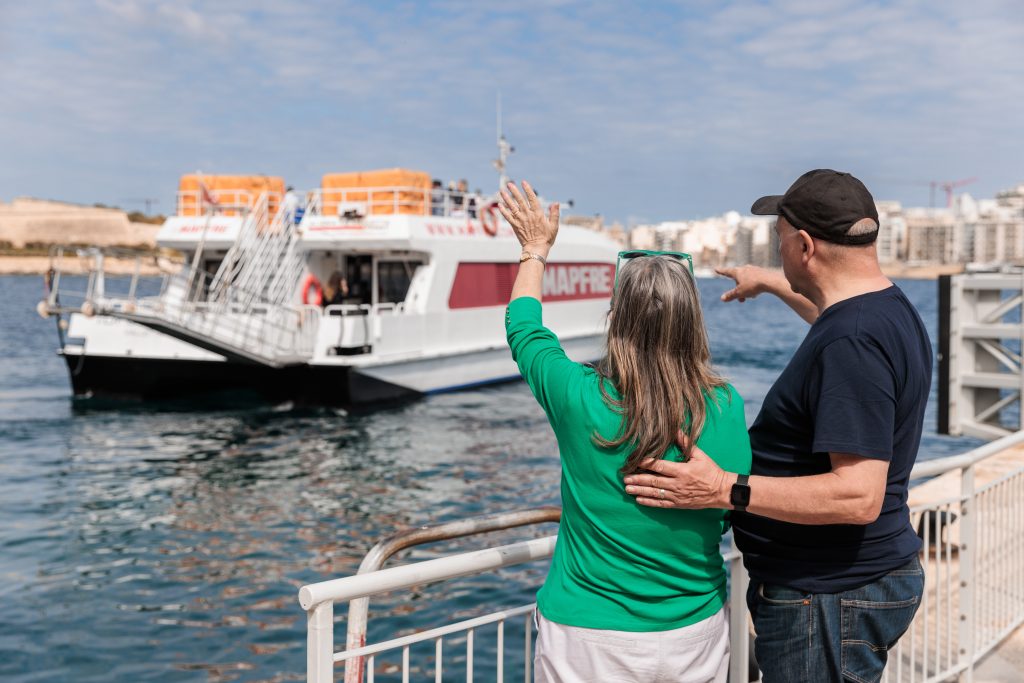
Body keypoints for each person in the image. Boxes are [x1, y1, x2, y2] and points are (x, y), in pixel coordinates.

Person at [623, 170, 929, 683]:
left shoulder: (851, 342)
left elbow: (858, 496)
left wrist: (723, 489)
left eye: (779, 239)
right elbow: (830, 319)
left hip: (827, 596)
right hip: (847, 583)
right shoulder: (884, 310)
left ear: (805, 245)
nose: (777, 251)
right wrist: (769, 282)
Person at [499, 180, 751, 683]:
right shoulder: (724, 406)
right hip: (692, 632)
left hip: (585, 635)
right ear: (692, 324)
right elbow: (727, 516)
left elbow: (524, 330)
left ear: (616, 320)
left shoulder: (578, 396)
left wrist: (534, 251)